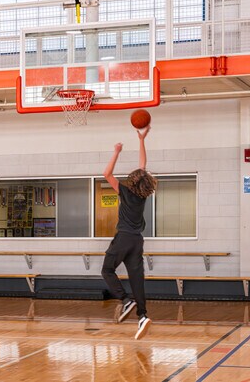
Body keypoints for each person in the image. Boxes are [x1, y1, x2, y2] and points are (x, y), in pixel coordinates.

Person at [101, 126, 157, 340]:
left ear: (131, 181)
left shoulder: (123, 191)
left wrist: (116, 151)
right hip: (137, 241)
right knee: (137, 279)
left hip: (123, 238)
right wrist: (141, 140)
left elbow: (107, 174)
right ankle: (142, 316)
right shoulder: (142, 195)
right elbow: (143, 166)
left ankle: (126, 300)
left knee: (107, 270)